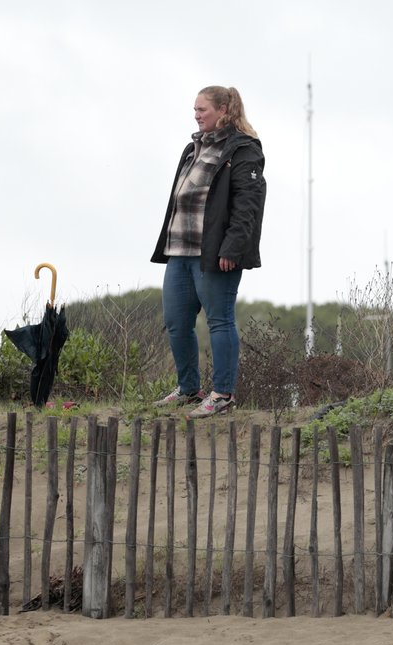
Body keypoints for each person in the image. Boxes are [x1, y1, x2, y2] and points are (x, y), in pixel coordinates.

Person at [150, 85, 267, 419]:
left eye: (202, 109)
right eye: (195, 110)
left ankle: (222, 395)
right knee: (176, 322)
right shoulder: (192, 149)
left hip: (214, 254)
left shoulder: (244, 150)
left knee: (219, 321)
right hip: (179, 251)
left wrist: (232, 248)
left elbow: (247, 206)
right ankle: (188, 390)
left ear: (223, 110)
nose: (197, 115)